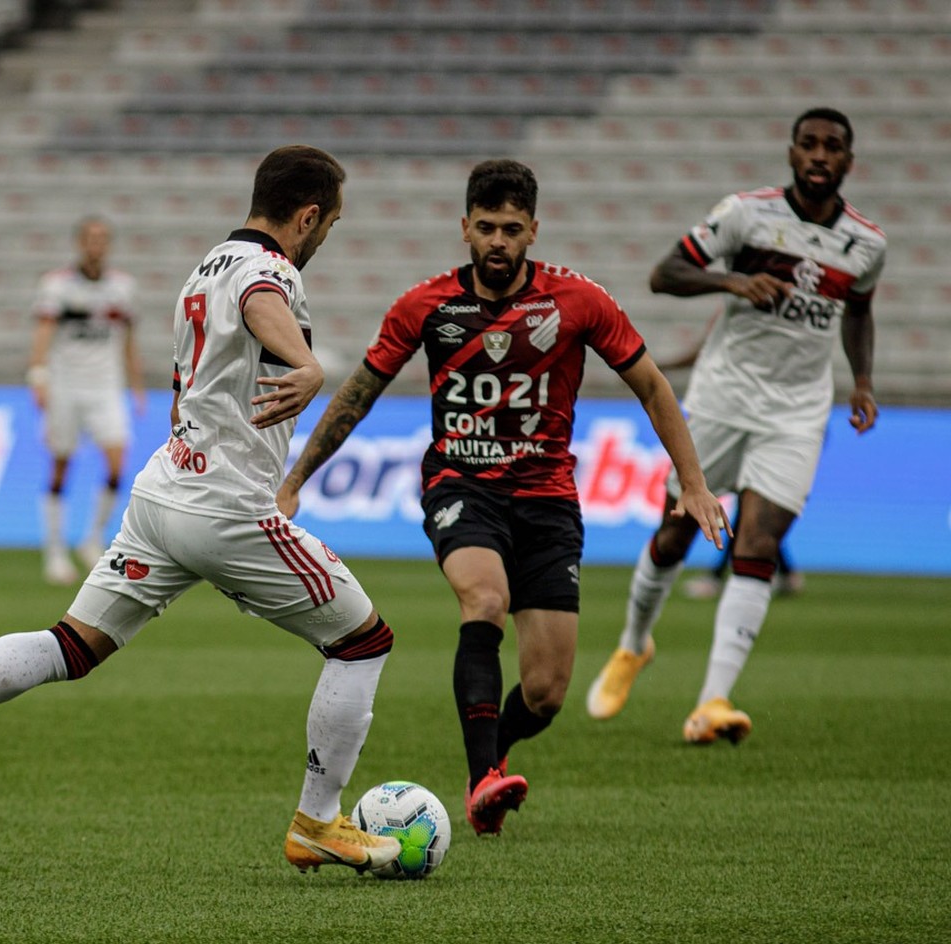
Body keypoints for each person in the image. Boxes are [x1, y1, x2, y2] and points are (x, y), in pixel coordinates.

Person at [0, 145, 401, 876]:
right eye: (328, 223)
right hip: (228, 510)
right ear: (307, 216)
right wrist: (306, 364)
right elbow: (263, 302)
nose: (325, 236)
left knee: (74, 645)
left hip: (163, 492)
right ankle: (319, 822)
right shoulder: (270, 272)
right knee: (363, 641)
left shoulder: (203, 267)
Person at [277, 159, 730, 837]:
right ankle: (484, 778)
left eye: (511, 229)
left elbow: (654, 387)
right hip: (461, 486)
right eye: (485, 226)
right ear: (465, 226)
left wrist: (693, 483)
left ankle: (493, 759)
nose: (497, 240)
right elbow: (360, 394)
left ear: (533, 231)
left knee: (546, 694)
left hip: (548, 499)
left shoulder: (579, 302)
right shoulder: (426, 306)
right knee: (483, 599)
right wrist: (293, 482)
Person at [587, 107, 883, 743]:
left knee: (759, 545)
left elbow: (858, 312)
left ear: (849, 162)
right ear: (792, 153)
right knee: (674, 536)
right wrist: (734, 281)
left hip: (799, 410)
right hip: (723, 398)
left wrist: (860, 380)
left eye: (833, 147)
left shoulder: (866, 244)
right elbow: (663, 274)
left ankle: (712, 702)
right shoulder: (746, 214)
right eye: (809, 144)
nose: (820, 155)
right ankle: (634, 644)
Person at [28, 216, 143, 585]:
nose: (97, 244)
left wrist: (136, 384)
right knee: (61, 463)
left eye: (102, 238)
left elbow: (127, 340)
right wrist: (39, 375)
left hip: (106, 386)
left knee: (116, 463)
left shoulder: (122, 287)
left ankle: (92, 537)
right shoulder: (58, 286)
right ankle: (55, 550)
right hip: (65, 386)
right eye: (91, 238)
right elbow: (44, 332)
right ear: (80, 242)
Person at [658, 312, 804, 601]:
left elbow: (706, 351)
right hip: (754, 419)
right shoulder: (737, 306)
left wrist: (658, 367)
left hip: (776, 423)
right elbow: (707, 350)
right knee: (751, 505)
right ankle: (786, 573)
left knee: (752, 504)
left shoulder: (772, 314)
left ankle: (718, 576)